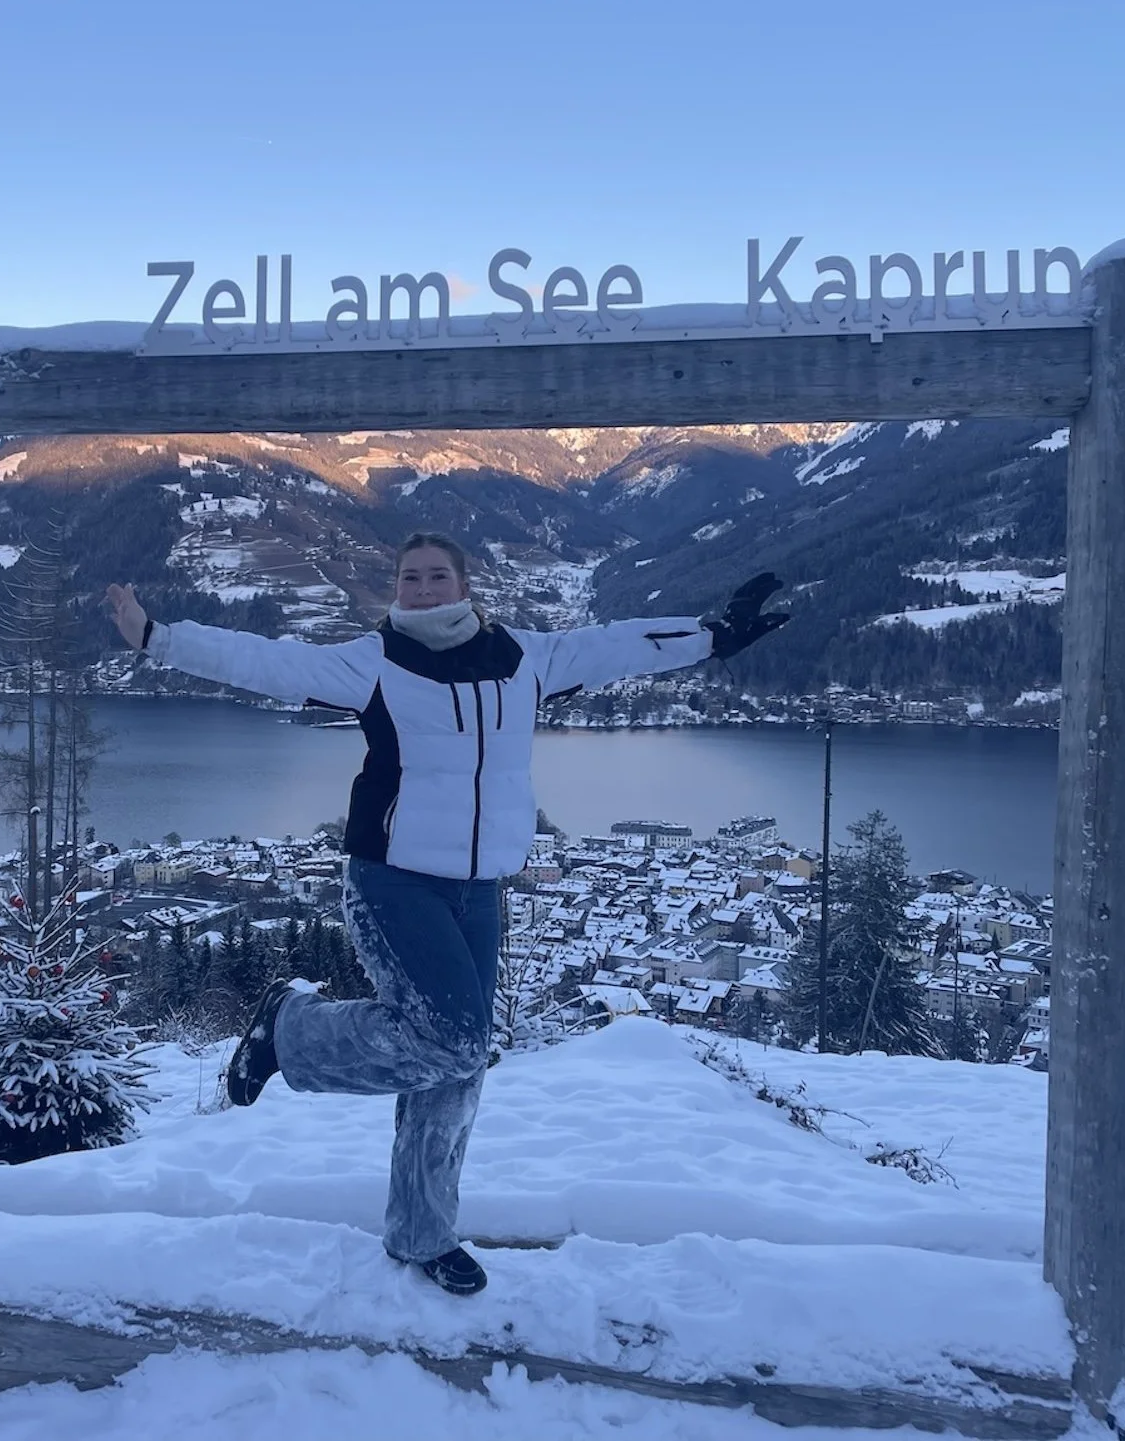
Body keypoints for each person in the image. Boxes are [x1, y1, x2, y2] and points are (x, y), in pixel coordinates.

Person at [105, 533, 787, 1296]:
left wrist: (713, 635)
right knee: (456, 1040)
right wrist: (158, 638)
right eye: (411, 577)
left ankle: (422, 1233)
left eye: (437, 575)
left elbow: (616, 645)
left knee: (458, 1066)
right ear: (396, 588)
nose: (424, 588)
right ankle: (287, 1029)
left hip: (479, 888)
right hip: (392, 879)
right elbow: (265, 661)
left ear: (465, 584)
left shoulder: (523, 657)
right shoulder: (374, 662)